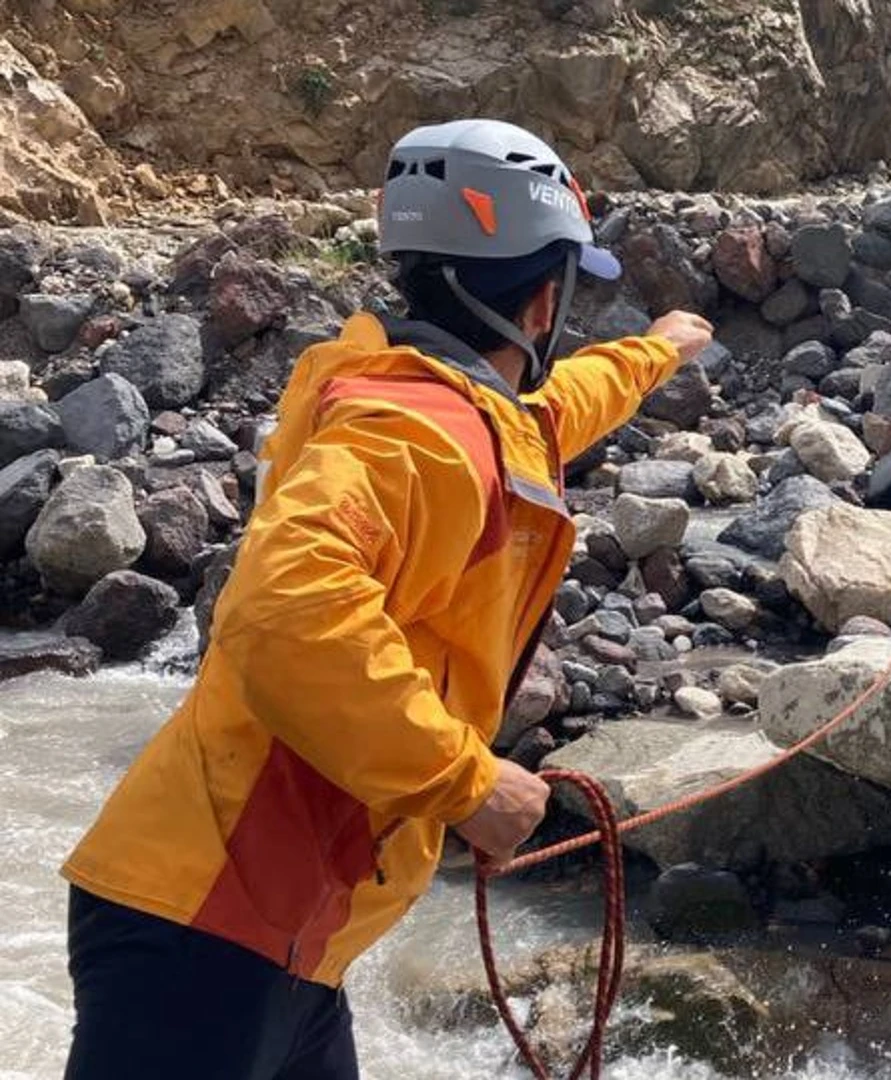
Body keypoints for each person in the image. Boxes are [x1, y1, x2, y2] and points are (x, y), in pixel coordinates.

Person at [59, 119, 712, 1080]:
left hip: (279, 934)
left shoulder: (445, 407)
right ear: (543, 302)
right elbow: (285, 610)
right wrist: (468, 783)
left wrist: (657, 352)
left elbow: (556, 409)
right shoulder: (410, 432)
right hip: (202, 929)